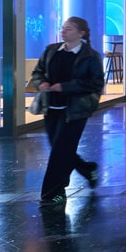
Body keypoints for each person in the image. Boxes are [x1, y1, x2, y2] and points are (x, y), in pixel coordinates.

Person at [28, 16, 105, 210]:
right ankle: (87, 169)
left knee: (60, 152)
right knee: (61, 149)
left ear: (81, 33)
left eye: (69, 29)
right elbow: (38, 72)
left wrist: (66, 87)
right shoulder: (51, 51)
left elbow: (95, 83)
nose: (64, 32)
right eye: (63, 28)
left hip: (75, 111)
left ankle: (53, 193)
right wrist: (41, 83)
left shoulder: (90, 56)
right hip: (51, 108)